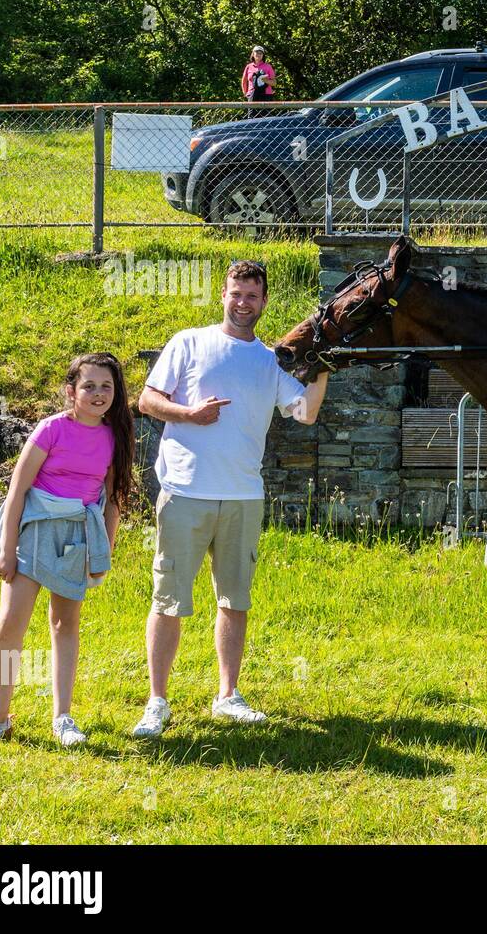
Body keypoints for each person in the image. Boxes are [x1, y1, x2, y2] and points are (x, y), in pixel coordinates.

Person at [132, 260, 329, 738]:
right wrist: (189, 414)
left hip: (243, 498)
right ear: (223, 295)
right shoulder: (189, 342)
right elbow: (146, 400)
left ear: (264, 303)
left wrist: (323, 371)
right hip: (185, 493)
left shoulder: (266, 360)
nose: (243, 303)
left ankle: (227, 695)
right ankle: (157, 702)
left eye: (252, 296)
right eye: (236, 293)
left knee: (234, 600)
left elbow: (303, 412)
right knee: (169, 599)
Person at [0, 354, 134, 749]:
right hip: (33, 531)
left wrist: (104, 552)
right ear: (71, 391)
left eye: (106, 386)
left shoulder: (114, 436)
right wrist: (6, 548)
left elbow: (113, 501)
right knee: (9, 625)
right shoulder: (51, 429)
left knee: (64, 624)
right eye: (89, 386)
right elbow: (18, 490)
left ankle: (63, 718)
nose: (98, 394)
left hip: (77, 538)